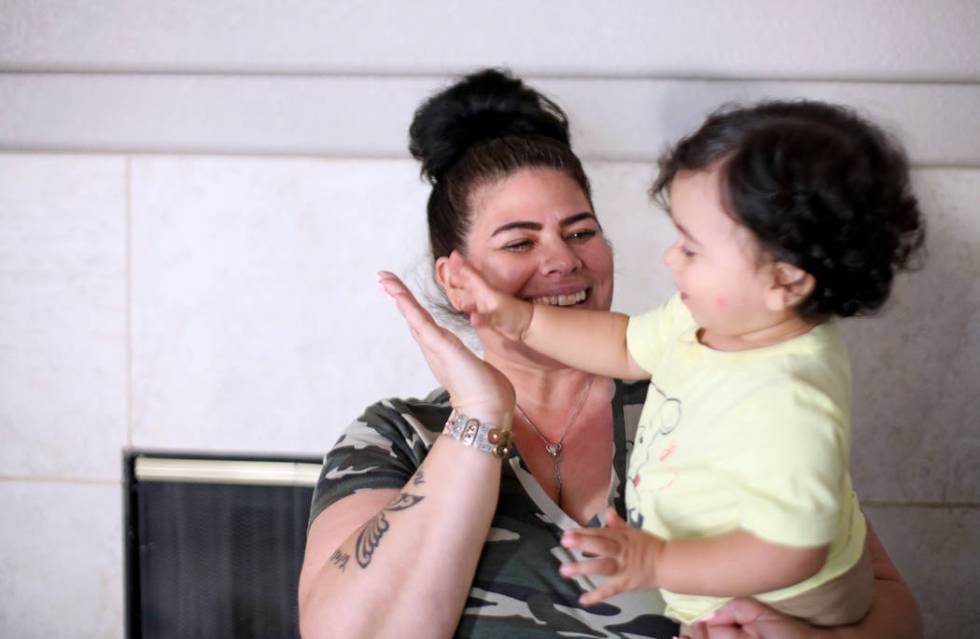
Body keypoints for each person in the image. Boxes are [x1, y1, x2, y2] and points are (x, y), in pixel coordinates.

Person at [297, 68, 923, 638]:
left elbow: (883, 603)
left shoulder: (710, 382)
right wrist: (480, 415)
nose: (564, 260)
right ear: (457, 278)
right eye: (520, 243)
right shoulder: (398, 438)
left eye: (581, 232)